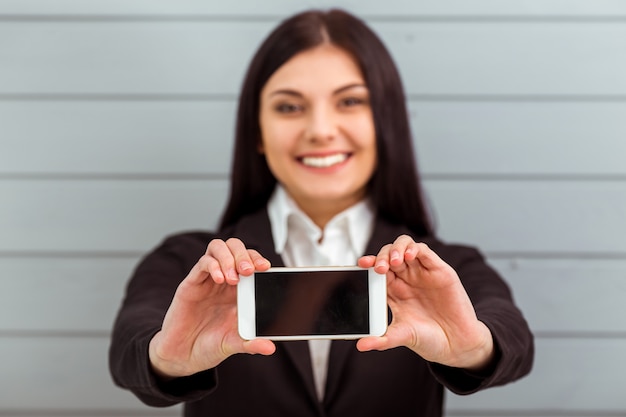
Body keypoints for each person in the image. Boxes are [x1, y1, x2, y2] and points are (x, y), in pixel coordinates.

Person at [109, 8, 534, 417]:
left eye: (350, 102)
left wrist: (474, 347)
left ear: (385, 121)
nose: (320, 130)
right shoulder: (191, 265)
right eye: (289, 107)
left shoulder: (447, 269)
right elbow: (130, 346)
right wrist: (167, 358)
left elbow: (513, 338)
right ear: (257, 132)